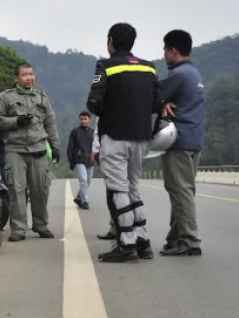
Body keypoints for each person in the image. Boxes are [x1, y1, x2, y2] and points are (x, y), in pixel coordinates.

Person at [86, 23, 174, 262]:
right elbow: (158, 104)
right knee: (133, 188)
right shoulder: (149, 67)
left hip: (115, 136)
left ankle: (126, 245)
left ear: (111, 41)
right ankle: (143, 241)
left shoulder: (105, 65)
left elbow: (93, 104)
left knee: (118, 190)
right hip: (142, 138)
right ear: (132, 42)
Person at [0, 62, 61, 242]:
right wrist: (16, 121)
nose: (29, 78)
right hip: (15, 149)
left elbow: (50, 123)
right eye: (24, 75)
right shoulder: (5, 97)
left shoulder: (42, 97)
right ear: (16, 78)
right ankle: (18, 229)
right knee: (17, 190)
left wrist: (55, 147)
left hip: (38, 149)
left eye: (31, 74)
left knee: (40, 190)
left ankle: (40, 225)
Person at [159, 30, 206, 256]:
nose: (164, 54)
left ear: (173, 51)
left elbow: (152, 95)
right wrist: (163, 103)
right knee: (185, 190)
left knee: (180, 191)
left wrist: (160, 104)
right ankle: (175, 237)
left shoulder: (177, 74)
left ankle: (189, 240)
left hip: (179, 141)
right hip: (195, 140)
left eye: (165, 50)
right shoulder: (194, 74)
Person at [67, 111, 95, 209]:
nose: (83, 121)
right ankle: (85, 202)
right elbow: (70, 147)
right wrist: (71, 161)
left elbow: (96, 147)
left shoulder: (92, 132)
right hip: (79, 159)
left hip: (90, 160)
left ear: (89, 120)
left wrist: (96, 158)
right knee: (83, 180)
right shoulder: (74, 132)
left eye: (85, 119)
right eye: (81, 119)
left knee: (88, 180)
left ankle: (79, 197)